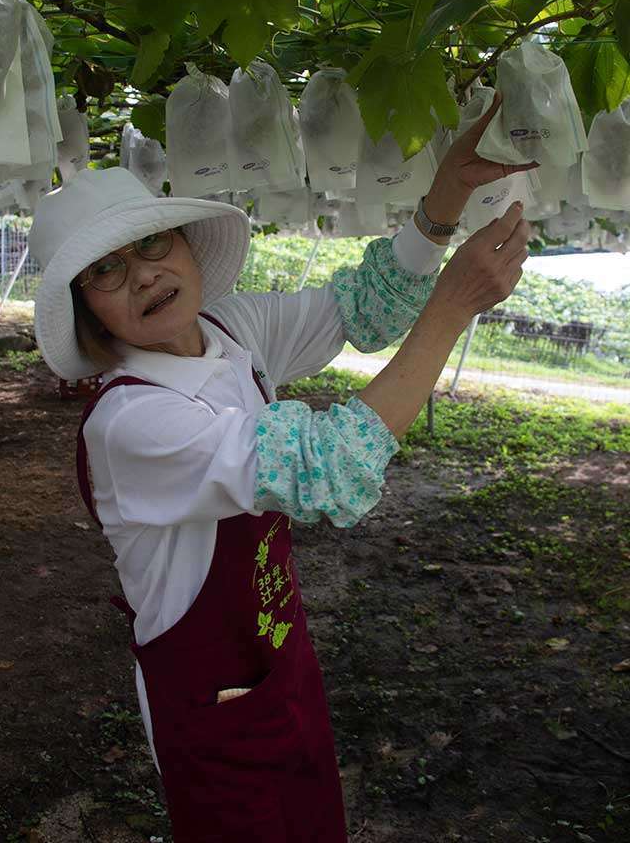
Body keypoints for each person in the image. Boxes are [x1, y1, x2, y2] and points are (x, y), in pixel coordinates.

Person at [28, 93, 531, 843]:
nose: (141, 276)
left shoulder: (230, 329)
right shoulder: (131, 422)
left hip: (276, 660)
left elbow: (360, 305)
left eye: (152, 246)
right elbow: (328, 467)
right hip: (208, 708)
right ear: (88, 310)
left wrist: (445, 195)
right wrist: (451, 309)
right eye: (105, 271)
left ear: (188, 247)